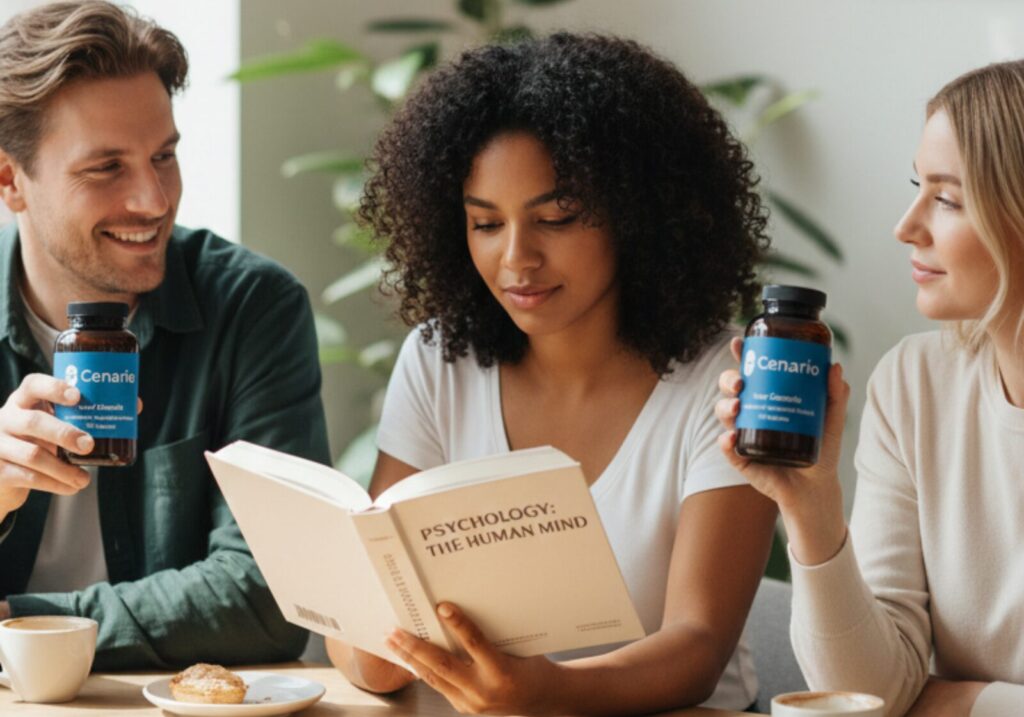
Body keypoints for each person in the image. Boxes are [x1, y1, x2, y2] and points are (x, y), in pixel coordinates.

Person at [325, 33, 779, 714]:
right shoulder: (438, 361)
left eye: (557, 218)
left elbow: (698, 645)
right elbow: (374, 615)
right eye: (485, 223)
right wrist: (374, 653)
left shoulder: (727, 378)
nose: (517, 259)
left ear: (637, 214)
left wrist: (550, 692)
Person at [0, 1, 329, 669]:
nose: (153, 199)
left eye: (164, 155)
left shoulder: (252, 307)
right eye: (106, 168)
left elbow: (274, 594)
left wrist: (23, 625)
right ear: (11, 179)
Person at [716, 60, 1024, 717]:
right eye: (918, 186)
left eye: (947, 197)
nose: (907, 225)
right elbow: (872, 698)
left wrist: (969, 701)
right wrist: (810, 503)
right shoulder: (915, 384)